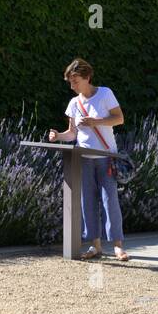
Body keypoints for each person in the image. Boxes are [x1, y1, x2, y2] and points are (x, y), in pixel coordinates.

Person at [48, 58, 129, 262]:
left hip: (105, 156)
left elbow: (119, 119)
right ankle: (95, 245)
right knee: (87, 202)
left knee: (110, 200)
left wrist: (96, 122)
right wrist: (58, 136)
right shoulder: (74, 103)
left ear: (87, 77)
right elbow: (72, 134)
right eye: (70, 82)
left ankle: (118, 246)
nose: (72, 85)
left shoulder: (104, 93)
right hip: (83, 158)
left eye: (75, 81)